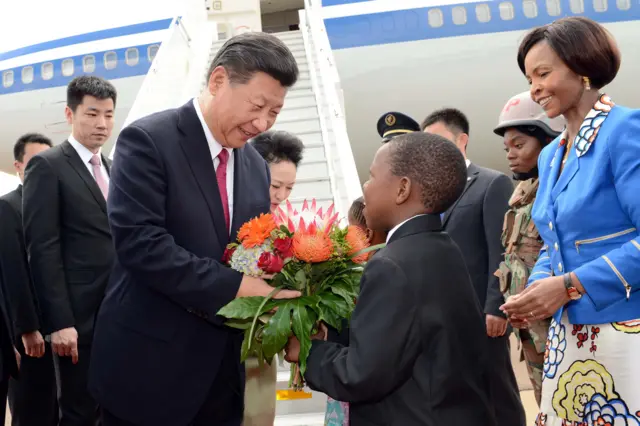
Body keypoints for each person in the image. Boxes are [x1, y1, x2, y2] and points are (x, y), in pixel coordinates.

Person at [89, 32, 301, 426]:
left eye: (274, 112)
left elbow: (252, 250)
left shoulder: (255, 165)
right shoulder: (149, 140)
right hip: (149, 373)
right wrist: (239, 289)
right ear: (219, 81)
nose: (262, 123)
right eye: (257, 106)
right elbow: (142, 245)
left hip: (221, 378)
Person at [285, 132, 496, 425]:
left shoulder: (391, 265)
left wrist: (309, 352)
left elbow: (361, 376)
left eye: (371, 177)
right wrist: (332, 336)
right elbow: (402, 341)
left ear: (402, 189)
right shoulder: (443, 248)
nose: (366, 187)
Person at [501, 17, 640, 424]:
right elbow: (554, 239)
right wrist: (534, 290)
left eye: (543, 73)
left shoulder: (624, 130)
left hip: (624, 328)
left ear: (582, 69)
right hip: (569, 334)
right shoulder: (551, 154)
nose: (534, 88)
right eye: (530, 77)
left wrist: (568, 286)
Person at [22, 75, 116, 426]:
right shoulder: (47, 166)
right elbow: (42, 248)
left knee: (116, 409)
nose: (102, 124)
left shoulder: (113, 168)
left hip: (119, 317)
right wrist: (60, 322)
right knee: (79, 414)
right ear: (69, 113)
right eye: (92, 114)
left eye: (108, 114)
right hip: (77, 323)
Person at [421, 108, 525, 426]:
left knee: (498, 394)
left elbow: (502, 251)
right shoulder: (428, 195)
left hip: (482, 315)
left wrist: (496, 306)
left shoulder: (490, 184)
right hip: (441, 320)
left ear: (462, 140)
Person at [492, 92, 565, 406]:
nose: (510, 155)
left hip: (561, 326)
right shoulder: (521, 195)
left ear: (549, 140)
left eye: (519, 145)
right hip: (531, 331)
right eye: (507, 147)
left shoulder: (563, 191)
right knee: (546, 404)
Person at [243, 129, 304, 426]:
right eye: (275, 185)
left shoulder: (286, 225)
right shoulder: (230, 217)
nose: (281, 196)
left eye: (289, 188)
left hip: (264, 348)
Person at [0, 133, 57, 425]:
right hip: (29, 333)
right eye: (34, 163)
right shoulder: (8, 207)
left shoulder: (56, 206)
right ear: (18, 167)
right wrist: (27, 328)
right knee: (31, 409)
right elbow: (12, 273)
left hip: (61, 329)